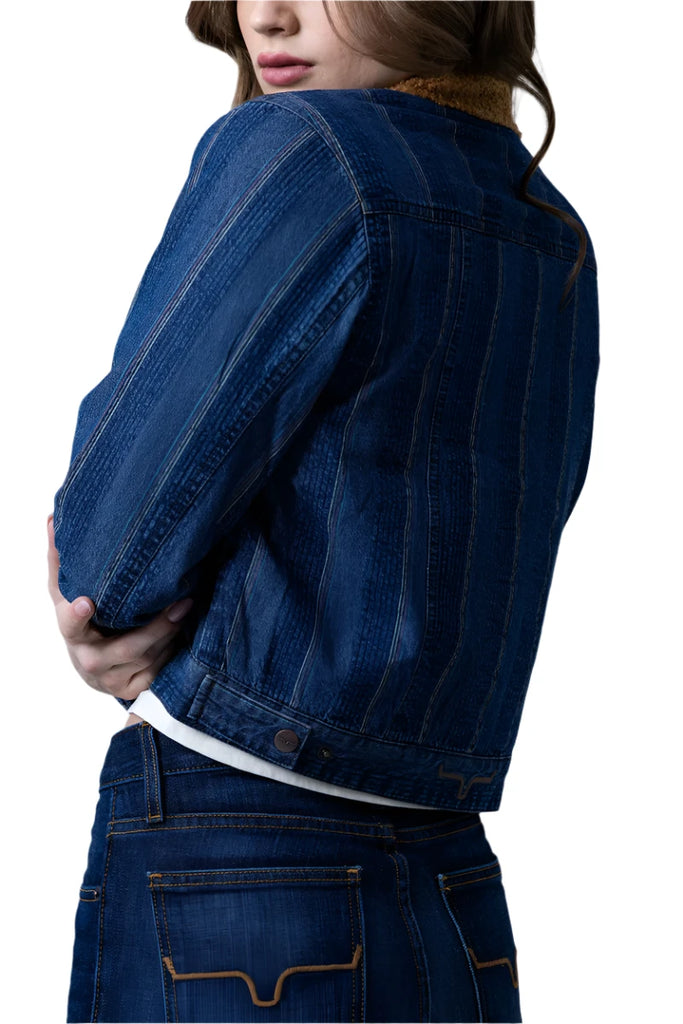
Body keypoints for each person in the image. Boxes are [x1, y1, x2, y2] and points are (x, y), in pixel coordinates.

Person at [49, 2, 599, 1021]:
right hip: (450, 880)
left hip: (241, 862)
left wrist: (99, 623)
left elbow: (103, 560)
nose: (268, 14)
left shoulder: (306, 149)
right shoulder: (543, 224)